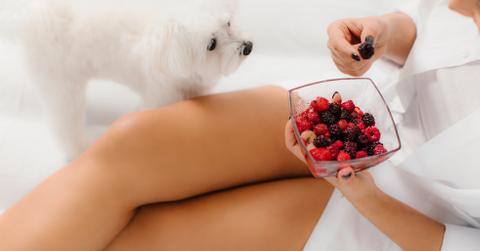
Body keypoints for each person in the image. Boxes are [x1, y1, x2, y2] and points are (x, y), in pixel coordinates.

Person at [0, 1, 479, 251]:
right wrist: (380, 32)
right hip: (372, 117)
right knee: (134, 143)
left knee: (150, 235)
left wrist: (367, 197)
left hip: (415, 216)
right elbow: (427, 25)